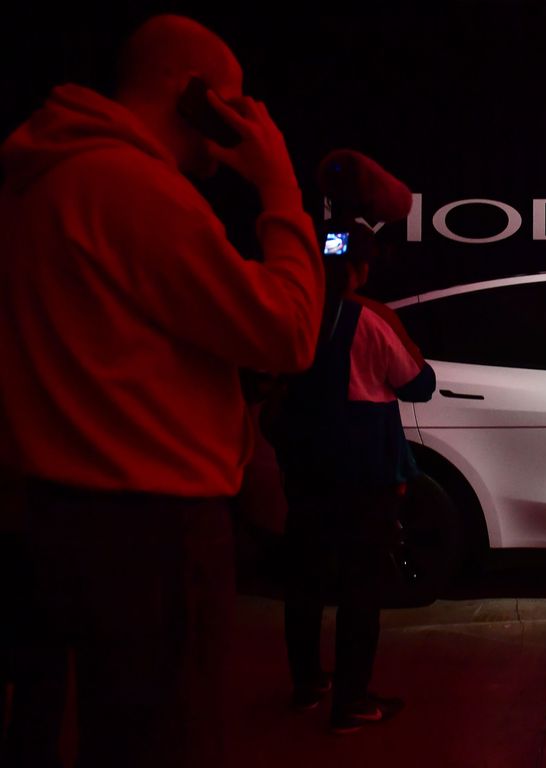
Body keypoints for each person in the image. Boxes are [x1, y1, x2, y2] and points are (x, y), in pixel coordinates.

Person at [0, 14, 323, 767]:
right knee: (167, 741)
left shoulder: (39, 181)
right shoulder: (132, 186)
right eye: (234, 102)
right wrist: (279, 186)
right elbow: (290, 332)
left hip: (59, 513)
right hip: (154, 530)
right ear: (196, 95)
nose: (243, 121)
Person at [272, 208, 435, 734]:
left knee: (303, 583)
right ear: (363, 267)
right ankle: (352, 701)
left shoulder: (290, 313)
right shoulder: (368, 317)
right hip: (362, 475)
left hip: (302, 468)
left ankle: (306, 686)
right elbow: (417, 384)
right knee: (361, 588)